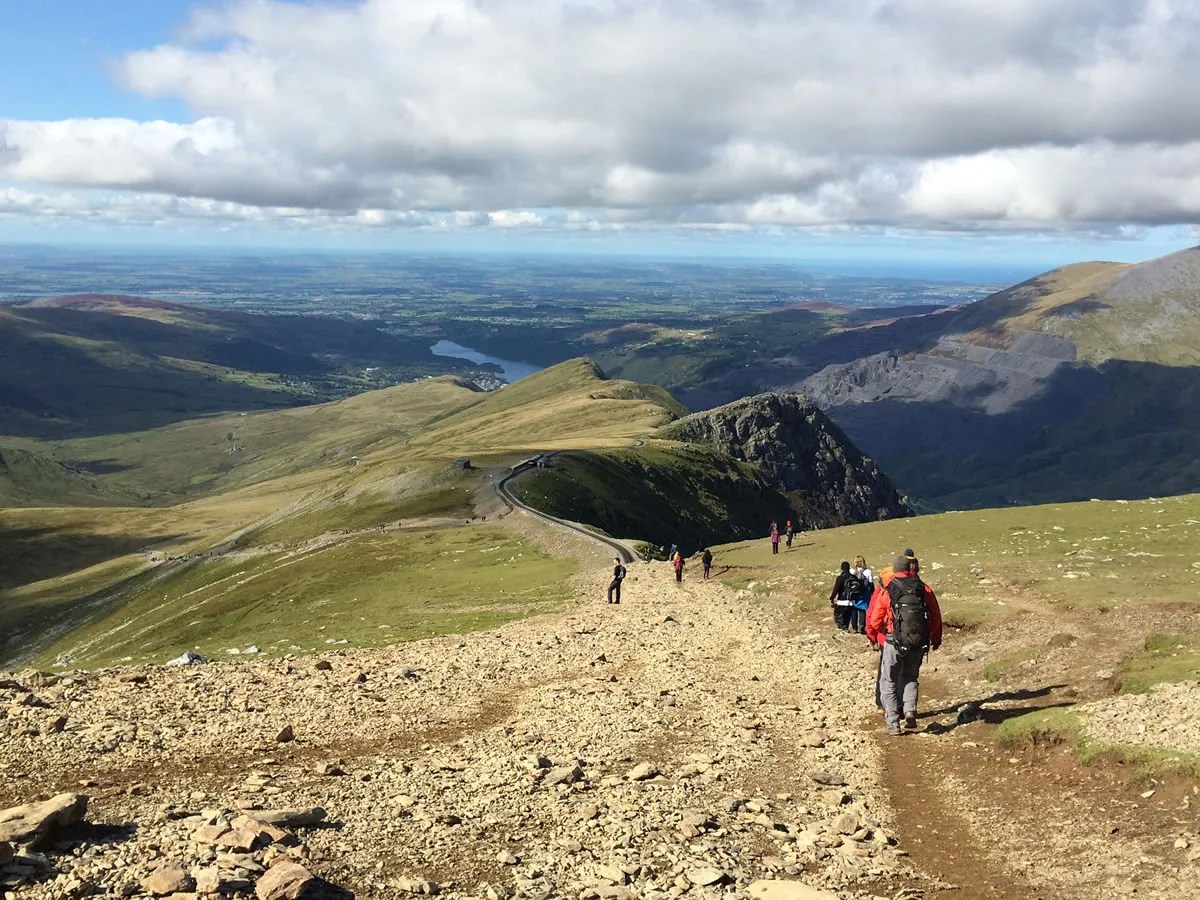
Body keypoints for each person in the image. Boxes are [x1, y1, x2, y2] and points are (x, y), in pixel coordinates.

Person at [867, 554, 943, 736]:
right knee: (910, 677)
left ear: (895, 569)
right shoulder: (923, 588)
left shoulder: (889, 590)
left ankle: (893, 723)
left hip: (893, 641)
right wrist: (932, 637)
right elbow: (935, 615)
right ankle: (910, 711)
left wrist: (875, 636)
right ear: (910, 569)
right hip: (917, 642)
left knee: (889, 681)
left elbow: (875, 620)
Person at [828, 561, 859, 631]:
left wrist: (832, 598)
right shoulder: (854, 578)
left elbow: (836, 589)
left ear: (842, 568)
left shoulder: (840, 578)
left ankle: (843, 629)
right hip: (851, 602)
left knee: (839, 618)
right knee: (847, 618)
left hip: (841, 602)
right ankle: (846, 628)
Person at [850, 555, 874, 634]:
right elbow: (871, 583)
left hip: (854, 593)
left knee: (854, 610)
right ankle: (862, 626)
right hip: (864, 593)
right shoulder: (868, 571)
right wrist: (872, 593)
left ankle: (854, 627)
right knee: (862, 610)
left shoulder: (852, 571)